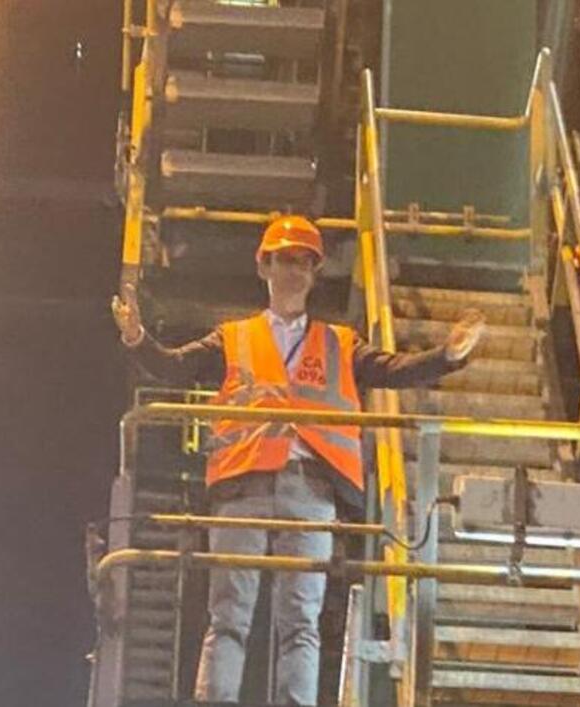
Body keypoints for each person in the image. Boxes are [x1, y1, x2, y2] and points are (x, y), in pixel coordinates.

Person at [112, 215, 486, 705]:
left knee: (300, 621)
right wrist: (138, 338)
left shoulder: (340, 343)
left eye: (304, 261)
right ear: (263, 266)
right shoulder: (233, 338)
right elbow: (174, 367)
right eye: (284, 259)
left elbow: (393, 371)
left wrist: (448, 356)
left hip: (311, 490)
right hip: (242, 485)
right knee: (228, 615)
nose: (294, 269)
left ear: (314, 272)